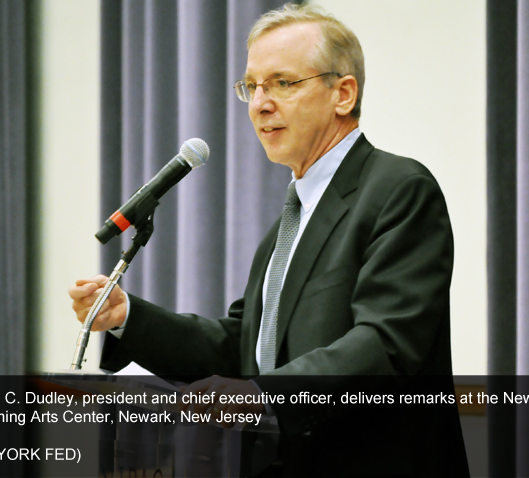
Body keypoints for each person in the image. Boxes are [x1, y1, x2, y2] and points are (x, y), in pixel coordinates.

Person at [70, 4, 469, 476]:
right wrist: (127, 318)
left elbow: (385, 344)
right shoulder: (292, 216)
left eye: (283, 83)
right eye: (252, 86)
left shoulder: (398, 188)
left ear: (342, 93)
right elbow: (243, 347)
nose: (260, 103)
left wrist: (262, 396)